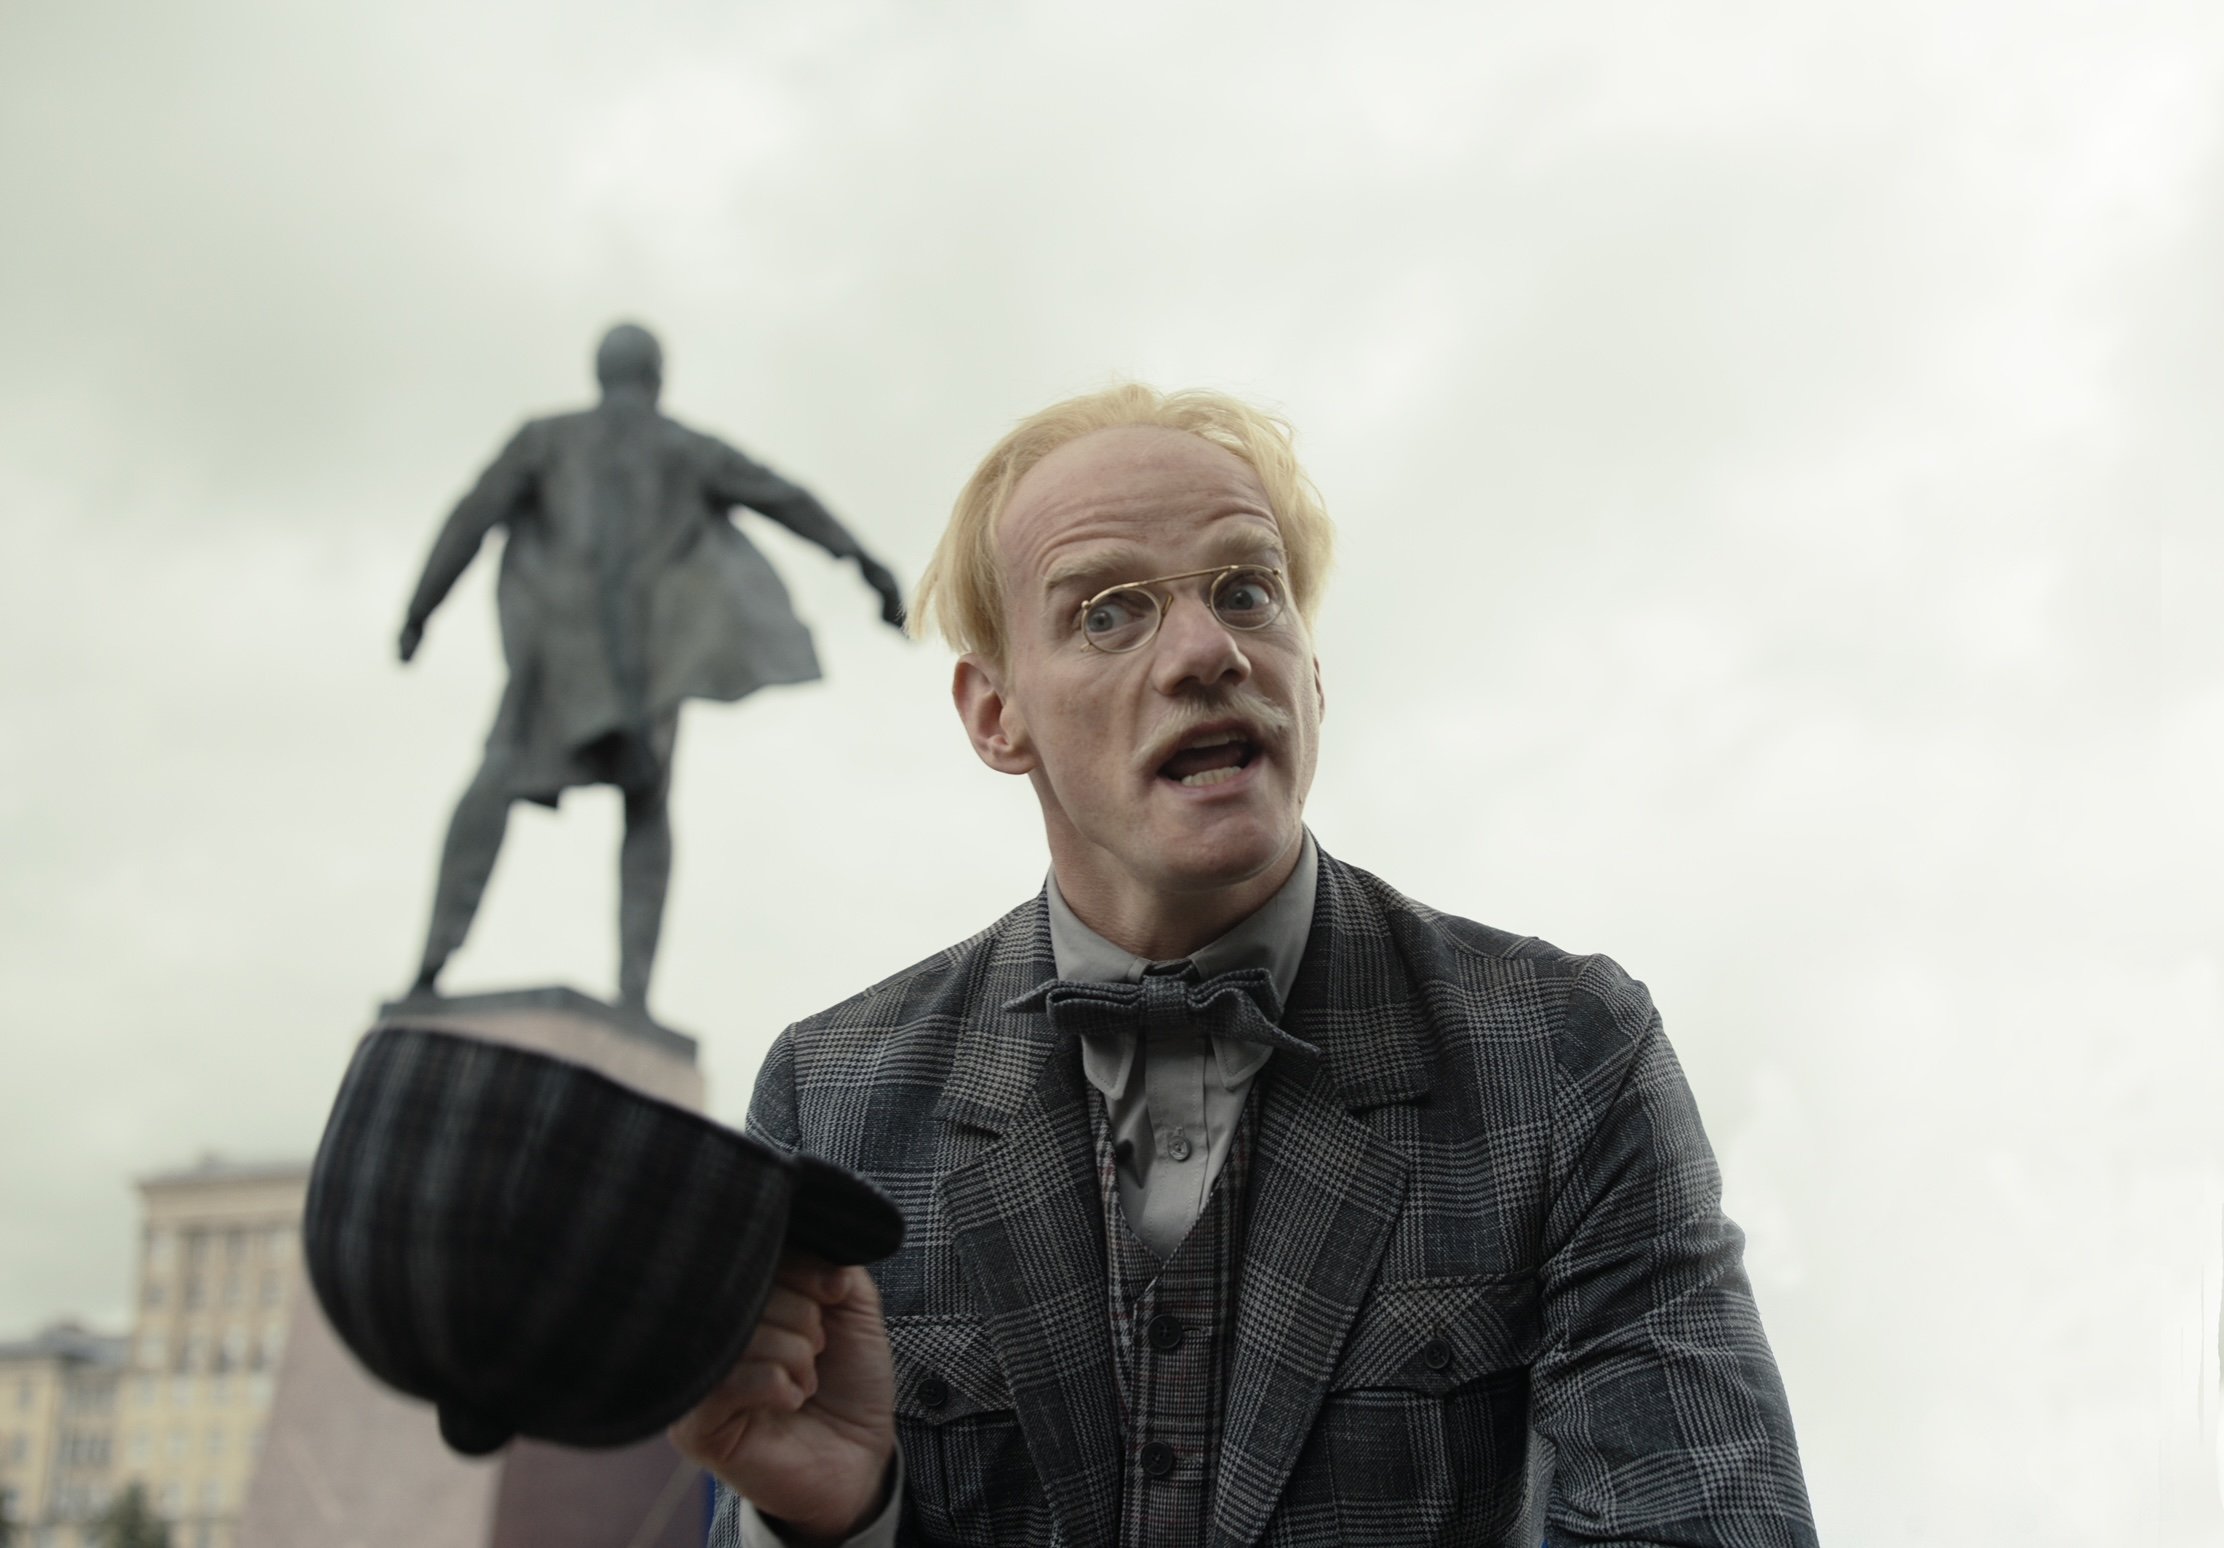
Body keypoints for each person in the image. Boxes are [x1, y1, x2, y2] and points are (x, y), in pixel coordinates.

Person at [671, 385, 1816, 1545]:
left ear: (1309, 673)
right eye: (1108, 612)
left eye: (1246, 592)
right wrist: (833, 1525)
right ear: (995, 714)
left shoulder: (1566, 1053)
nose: (1206, 651)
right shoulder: (832, 1096)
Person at [396, 323, 905, 1014]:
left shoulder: (544, 438)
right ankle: (632, 993)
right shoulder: (683, 447)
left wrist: (419, 610)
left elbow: (468, 520)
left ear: (600, 372)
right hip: (641, 668)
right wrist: (865, 563)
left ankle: (430, 966)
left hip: (563, 661)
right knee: (643, 807)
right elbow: (788, 499)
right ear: (657, 377)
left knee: (497, 785)